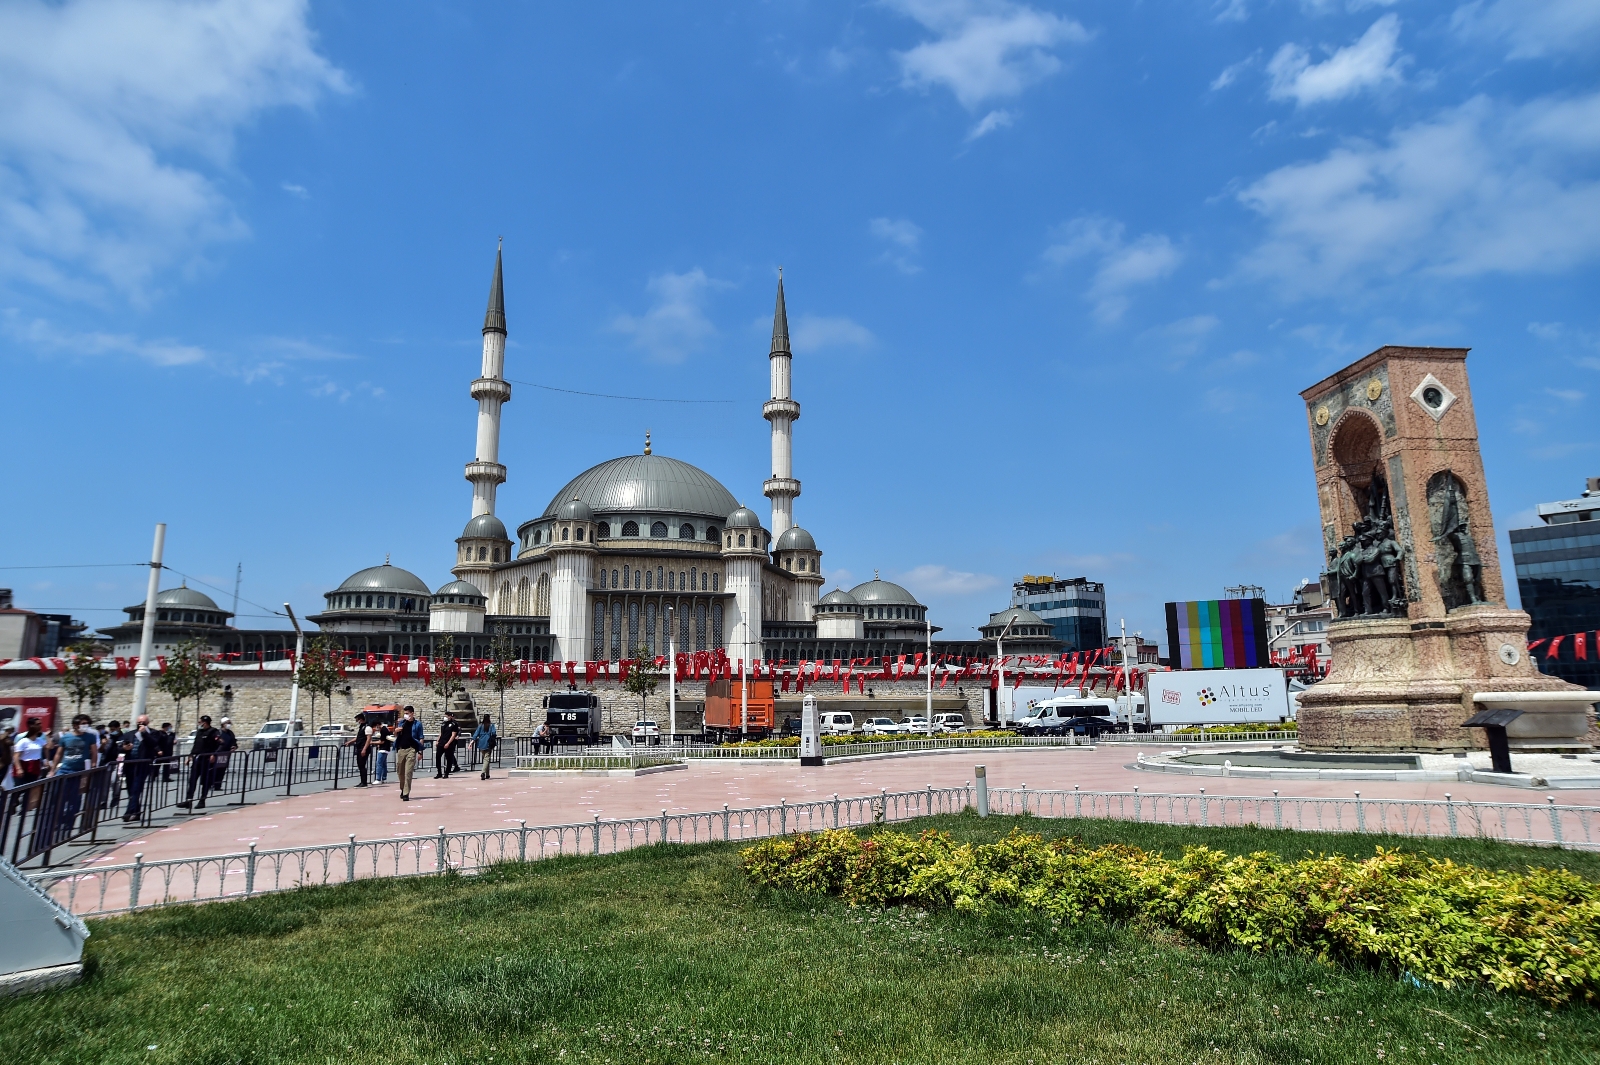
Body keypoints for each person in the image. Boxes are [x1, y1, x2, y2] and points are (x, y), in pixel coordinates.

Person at [120, 715, 160, 822]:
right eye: (139, 722)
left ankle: (129, 812)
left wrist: (144, 733)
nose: (141, 724)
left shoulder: (153, 733)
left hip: (142, 764)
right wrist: (124, 748)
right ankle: (136, 812)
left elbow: (154, 743)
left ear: (147, 722)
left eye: (143, 722)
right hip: (130, 764)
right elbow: (120, 745)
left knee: (136, 788)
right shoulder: (130, 733)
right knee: (130, 788)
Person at [181, 715, 220, 810]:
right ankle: (188, 800)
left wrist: (214, 754)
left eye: (200, 722)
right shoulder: (199, 732)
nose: (199, 724)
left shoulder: (214, 732)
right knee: (192, 780)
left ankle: (202, 800)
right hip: (197, 760)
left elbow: (220, 744)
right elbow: (196, 745)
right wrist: (190, 756)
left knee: (205, 781)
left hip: (207, 760)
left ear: (205, 722)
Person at [392, 706, 424, 801]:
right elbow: (395, 733)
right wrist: (395, 731)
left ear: (412, 713)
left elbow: (421, 737)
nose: (406, 715)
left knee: (408, 772)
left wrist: (420, 752)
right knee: (400, 771)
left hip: (412, 749)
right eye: (405, 713)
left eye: (408, 713)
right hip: (401, 749)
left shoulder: (417, 724)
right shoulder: (402, 723)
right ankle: (402, 788)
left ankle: (406, 793)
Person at [210, 717, 238, 793]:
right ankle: (211, 784)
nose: (229, 724)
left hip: (226, 754)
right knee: (214, 769)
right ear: (223, 724)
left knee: (222, 769)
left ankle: (218, 785)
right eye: (227, 723)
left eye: (229, 723)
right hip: (217, 754)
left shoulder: (230, 733)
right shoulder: (218, 732)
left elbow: (234, 742)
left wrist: (234, 747)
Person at [347, 714, 374, 788]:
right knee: (360, 765)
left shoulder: (367, 727)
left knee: (362, 765)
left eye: (357, 720)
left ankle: (364, 782)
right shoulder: (361, 727)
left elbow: (368, 739)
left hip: (363, 748)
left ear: (361, 719)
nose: (357, 721)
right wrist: (350, 742)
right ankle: (362, 781)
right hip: (359, 748)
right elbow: (358, 737)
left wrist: (364, 749)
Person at [473, 714, 497, 780]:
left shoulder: (480, 726)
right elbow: (494, 733)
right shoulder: (491, 725)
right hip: (488, 743)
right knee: (487, 759)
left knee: (486, 759)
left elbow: (476, 734)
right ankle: (483, 772)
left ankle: (487, 774)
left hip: (481, 743)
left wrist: (472, 741)